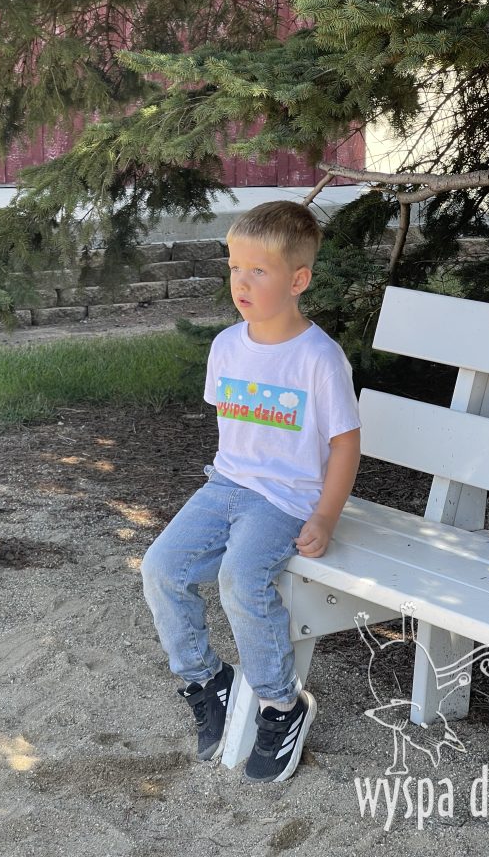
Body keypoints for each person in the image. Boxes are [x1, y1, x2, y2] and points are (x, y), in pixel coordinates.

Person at [141, 200, 361, 783]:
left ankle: (281, 704)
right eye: (235, 267)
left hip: (285, 500)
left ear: (297, 280)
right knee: (161, 568)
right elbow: (236, 436)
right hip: (226, 484)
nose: (240, 282)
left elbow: (345, 444)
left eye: (258, 271)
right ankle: (207, 681)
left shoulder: (318, 358)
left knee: (241, 579)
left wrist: (325, 516)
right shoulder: (226, 346)